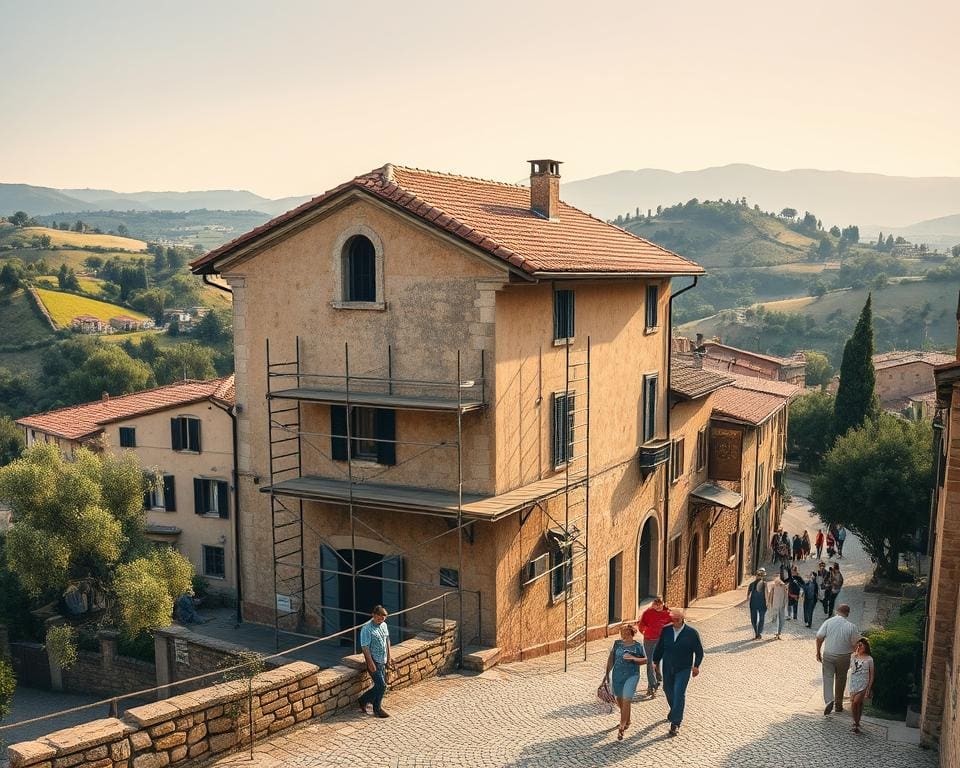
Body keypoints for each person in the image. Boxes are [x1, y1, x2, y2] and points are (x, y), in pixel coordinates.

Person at [652, 609, 704, 738]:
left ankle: (675, 723)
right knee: (668, 690)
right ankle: (674, 711)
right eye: (673, 619)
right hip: (668, 666)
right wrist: (655, 661)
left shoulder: (691, 633)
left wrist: (696, 666)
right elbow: (660, 647)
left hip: (684, 668)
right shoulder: (666, 630)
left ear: (682, 618)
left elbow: (699, 651)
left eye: (677, 619)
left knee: (679, 693)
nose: (674, 621)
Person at [604, 623, 647, 740]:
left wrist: (633, 658)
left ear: (631, 633)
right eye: (622, 632)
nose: (623, 634)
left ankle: (622, 726)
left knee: (627, 699)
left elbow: (645, 660)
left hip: (632, 675)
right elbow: (611, 659)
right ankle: (627, 720)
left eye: (626, 632)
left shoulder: (638, 646)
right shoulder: (617, 644)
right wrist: (607, 674)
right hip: (618, 675)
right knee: (619, 699)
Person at [816, 604, 859, 715]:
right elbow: (855, 644)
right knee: (841, 679)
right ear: (848, 613)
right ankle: (838, 705)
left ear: (837, 611)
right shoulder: (851, 627)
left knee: (828, 677)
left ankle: (829, 700)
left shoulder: (828, 622)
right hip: (844, 656)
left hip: (828, 654)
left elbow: (819, 637)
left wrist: (818, 652)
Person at [358, 605, 393, 718]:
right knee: (382, 686)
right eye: (379, 617)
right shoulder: (366, 629)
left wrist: (389, 657)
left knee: (381, 685)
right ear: (373, 615)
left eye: (383, 618)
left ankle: (365, 701)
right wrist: (370, 663)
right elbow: (365, 647)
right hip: (374, 661)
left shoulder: (384, 625)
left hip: (382, 660)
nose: (381, 619)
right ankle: (375, 707)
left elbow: (387, 640)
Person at [637, 597, 671, 695]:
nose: (658, 607)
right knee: (649, 661)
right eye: (656, 605)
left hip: (661, 641)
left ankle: (658, 674)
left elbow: (674, 625)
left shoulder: (668, 614)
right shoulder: (648, 613)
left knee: (656, 660)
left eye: (660, 605)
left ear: (662, 604)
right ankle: (651, 686)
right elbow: (641, 624)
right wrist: (645, 631)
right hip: (649, 640)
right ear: (654, 605)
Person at [849, 637, 875, 734]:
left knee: (856, 702)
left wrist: (869, 688)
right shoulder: (853, 656)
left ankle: (856, 723)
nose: (859, 647)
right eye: (858, 645)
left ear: (866, 647)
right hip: (853, 683)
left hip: (863, 684)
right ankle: (856, 721)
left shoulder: (869, 659)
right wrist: (855, 651)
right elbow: (851, 667)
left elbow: (872, 674)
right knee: (855, 703)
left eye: (861, 646)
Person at [747, 568, 768, 639]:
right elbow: (767, 594)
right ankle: (758, 633)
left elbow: (748, 596)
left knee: (755, 619)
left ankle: (757, 633)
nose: (759, 576)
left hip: (756, 604)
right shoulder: (753, 585)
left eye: (760, 575)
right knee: (759, 619)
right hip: (759, 604)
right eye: (759, 575)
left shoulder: (752, 584)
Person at [767, 573, 789, 638]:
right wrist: (769, 603)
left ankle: (779, 633)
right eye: (775, 578)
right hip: (775, 605)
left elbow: (786, 596)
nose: (776, 580)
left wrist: (785, 603)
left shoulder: (783, 586)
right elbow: (770, 595)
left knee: (781, 619)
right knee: (775, 619)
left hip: (781, 605)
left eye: (777, 578)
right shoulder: (773, 586)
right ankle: (776, 632)